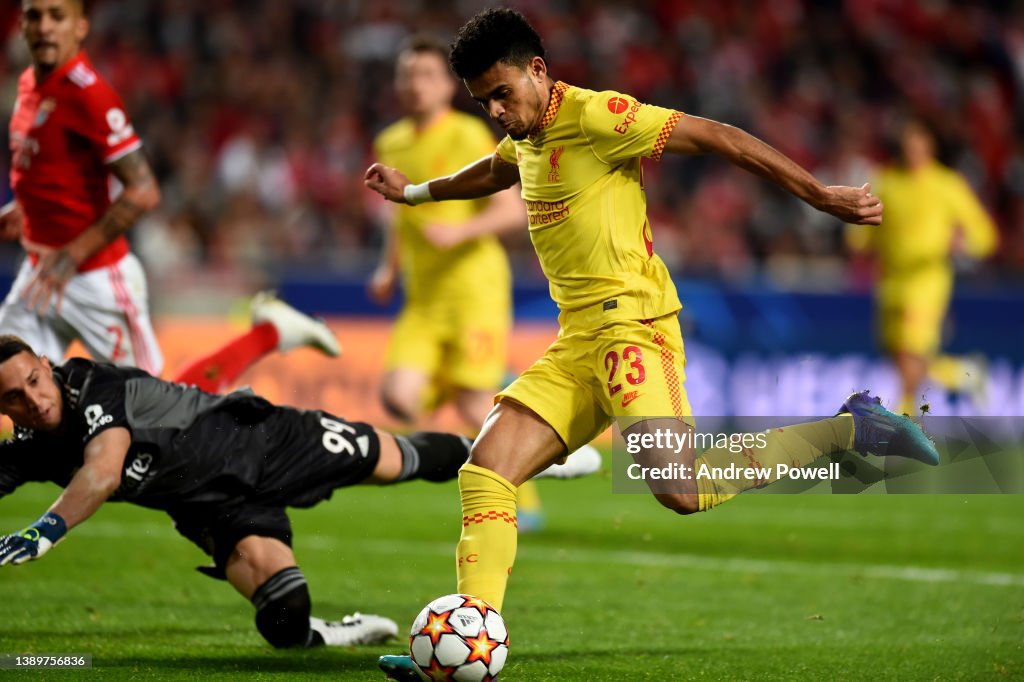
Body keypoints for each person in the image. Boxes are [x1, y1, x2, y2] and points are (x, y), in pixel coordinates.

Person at [364, 9, 941, 679]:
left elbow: (716, 134)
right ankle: (466, 646)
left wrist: (818, 194)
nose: (495, 110)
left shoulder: (600, 116)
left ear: (539, 71)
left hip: (634, 328)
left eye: (501, 93)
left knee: (680, 489)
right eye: (482, 100)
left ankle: (851, 430)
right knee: (485, 471)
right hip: (577, 339)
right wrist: (415, 193)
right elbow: (497, 171)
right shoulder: (524, 132)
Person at [0, 334, 473, 648]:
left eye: (35, 380)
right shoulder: (27, 450)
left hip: (264, 443)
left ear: (47, 365)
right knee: (285, 618)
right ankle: (332, 633)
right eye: (13, 397)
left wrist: (45, 531)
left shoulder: (94, 386)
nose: (34, 400)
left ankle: (534, 459)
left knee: (398, 461)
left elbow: (102, 474)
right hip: (211, 508)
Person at [1, 0, 337, 388]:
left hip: (95, 277)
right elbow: (57, 174)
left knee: (155, 413)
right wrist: (25, 210)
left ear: (81, 27)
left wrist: (73, 253)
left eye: (57, 16)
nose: (44, 27)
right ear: (21, 24)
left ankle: (268, 333)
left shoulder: (89, 95)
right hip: (40, 271)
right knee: (12, 377)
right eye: (34, 16)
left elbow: (144, 191)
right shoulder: (29, 85)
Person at [368, 35, 600, 530]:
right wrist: (388, 268)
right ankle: (498, 384)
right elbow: (396, 214)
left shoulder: (470, 136)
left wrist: (461, 230)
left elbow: (509, 209)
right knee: (399, 400)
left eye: (427, 76)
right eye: (407, 75)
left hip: (474, 289)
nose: (415, 85)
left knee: (475, 404)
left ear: (446, 88)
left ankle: (526, 498)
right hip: (424, 296)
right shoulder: (391, 142)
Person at [847, 117, 998, 415]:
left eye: (919, 142)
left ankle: (902, 430)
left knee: (909, 358)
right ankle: (964, 374)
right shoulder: (887, 182)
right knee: (899, 358)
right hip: (891, 281)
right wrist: (858, 239)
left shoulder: (947, 185)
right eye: (907, 142)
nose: (912, 148)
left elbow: (985, 235)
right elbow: (865, 231)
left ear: (930, 145)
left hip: (927, 283)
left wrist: (963, 244)